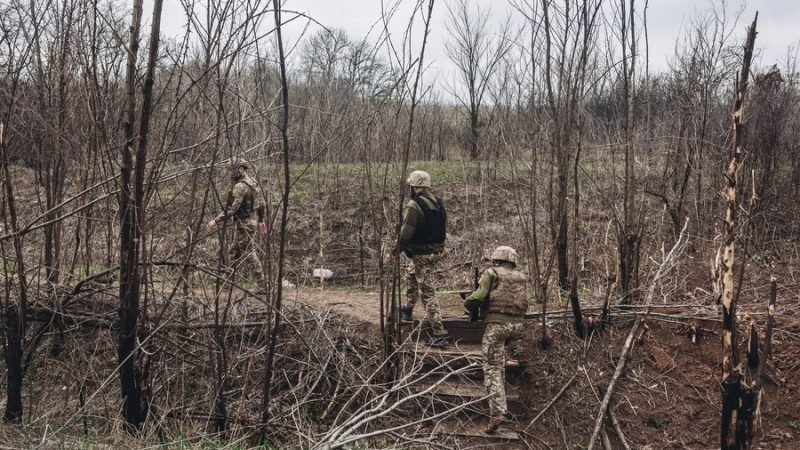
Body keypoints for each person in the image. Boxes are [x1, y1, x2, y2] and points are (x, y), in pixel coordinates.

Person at [462, 245, 527, 434]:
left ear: (496, 258)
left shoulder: (491, 273)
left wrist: (467, 302)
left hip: (497, 326)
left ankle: (497, 413)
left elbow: (479, 297)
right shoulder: (521, 276)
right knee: (498, 363)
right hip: (516, 326)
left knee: (492, 368)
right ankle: (502, 404)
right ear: (513, 260)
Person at [394, 170, 449, 347]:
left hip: (423, 254)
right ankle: (408, 310)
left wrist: (397, 249)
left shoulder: (414, 205)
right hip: (435, 251)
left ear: (415, 185)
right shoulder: (438, 202)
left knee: (427, 292)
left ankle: (439, 333)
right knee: (411, 275)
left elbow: (406, 232)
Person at [207, 158, 267, 281]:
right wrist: (261, 220)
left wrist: (216, 220)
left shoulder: (240, 186)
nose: (231, 172)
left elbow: (232, 209)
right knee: (235, 251)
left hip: (244, 223)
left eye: (232, 169)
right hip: (249, 221)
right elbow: (262, 204)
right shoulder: (253, 183)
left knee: (249, 253)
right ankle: (228, 279)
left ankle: (262, 283)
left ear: (240, 169)